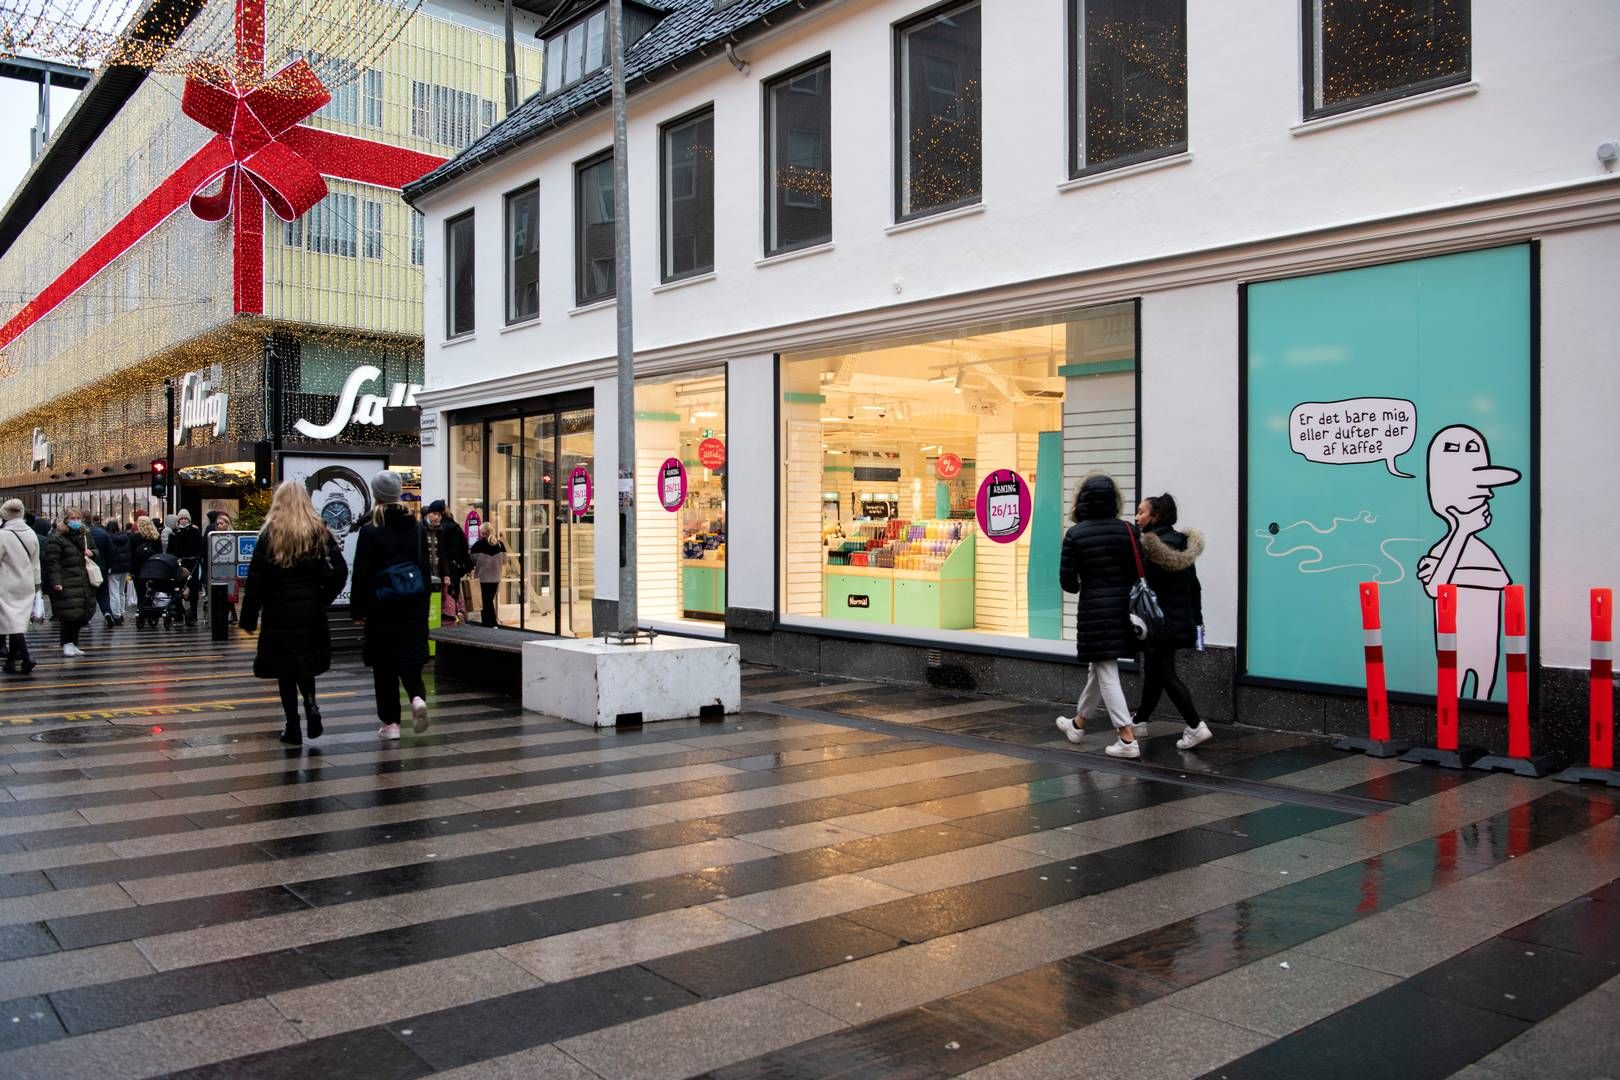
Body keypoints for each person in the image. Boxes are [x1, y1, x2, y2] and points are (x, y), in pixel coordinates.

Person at [239, 481, 347, 746]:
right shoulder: (319, 532)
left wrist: (249, 617)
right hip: (310, 612)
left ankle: (292, 726)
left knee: (284, 670)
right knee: (304, 663)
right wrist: (322, 598)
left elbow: (256, 580)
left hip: (278, 612)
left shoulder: (270, 535)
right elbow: (339, 572)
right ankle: (311, 705)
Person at [1055, 472, 1142, 758]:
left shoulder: (1076, 534)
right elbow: (1137, 570)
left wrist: (1086, 583)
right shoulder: (1128, 530)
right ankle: (1078, 724)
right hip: (1124, 609)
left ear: (1082, 501)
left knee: (1106, 670)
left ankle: (1126, 737)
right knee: (1098, 667)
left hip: (1095, 609)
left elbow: (1068, 582)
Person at [351, 471, 431, 738]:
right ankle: (417, 698)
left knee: (384, 666)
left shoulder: (371, 529)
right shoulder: (417, 527)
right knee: (409, 659)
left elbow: (362, 573)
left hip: (381, 606)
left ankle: (391, 724)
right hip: (412, 604)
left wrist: (358, 610)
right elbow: (423, 566)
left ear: (376, 495)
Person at [1133, 493, 1212, 750]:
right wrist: (1196, 621)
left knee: (1165, 674)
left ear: (1155, 517)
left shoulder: (1151, 548)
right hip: (1180, 619)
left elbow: (1144, 588)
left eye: (1141, 512)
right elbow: (1194, 586)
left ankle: (1195, 725)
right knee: (1156, 672)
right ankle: (1141, 720)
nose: (1137, 517)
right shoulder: (1181, 543)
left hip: (1159, 623)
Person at [41, 505, 99, 657]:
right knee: (69, 614)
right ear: (65, 520)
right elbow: (52, 562)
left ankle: (73, 643)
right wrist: (56, 582)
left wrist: (91, 552)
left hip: (83, 580)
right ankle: (67, 643)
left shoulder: (85, 535)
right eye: (73, 518)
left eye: (78, 518)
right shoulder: (57, 537)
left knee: (80, 614)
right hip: (67, 580)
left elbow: (96, 550)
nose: (76, 521)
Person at [0, 499, 41, 675]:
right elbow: (36, 562)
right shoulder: (31, 533)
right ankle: (10, 662)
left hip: (6, 583)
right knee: (16, 621)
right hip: (27, 583)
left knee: (12, 623)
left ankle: (26, 657)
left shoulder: (3, 535)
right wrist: (37, 585)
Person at [421, 500, 470, 625]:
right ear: (428, 514)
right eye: (434, 514)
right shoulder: (420, 529)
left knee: (440, 604)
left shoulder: (440, 531)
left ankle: (439, 629)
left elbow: (442, 554)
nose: (437, 517)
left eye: (439, 515)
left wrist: (446, 574)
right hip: (424, 574)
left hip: (438, 573)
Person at [166, 509, 203, 624]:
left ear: (189, 520)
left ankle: (194, 613)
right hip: (179, 564)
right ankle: (179, 614)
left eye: (185, 518)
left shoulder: (195, 532)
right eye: (181, 518)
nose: (183, 520)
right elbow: (170, 550)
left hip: (192, 564)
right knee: (178, 588)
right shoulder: (174, 534)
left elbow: (200, 547)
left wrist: (198, 557)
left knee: (193, 589)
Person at [468, 521, 507, 628]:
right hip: (495, 578)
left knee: (485, 602)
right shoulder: (500, 544)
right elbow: (504, 560)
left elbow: (472, 561)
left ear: (482, 532)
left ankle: (488, 624)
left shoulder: (478, 545)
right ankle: (493, 623)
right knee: (489, 600)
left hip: (482, 578)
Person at [105, 519, 133, 625]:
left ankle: (116, 614)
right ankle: (121, 612)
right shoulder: (125, 537)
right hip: (124, 568)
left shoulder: (109, 538)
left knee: (114, 592)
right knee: (121, 592)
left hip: (114, 568)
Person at [89, 515, 115, 626]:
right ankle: (107, 612)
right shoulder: (103, 533)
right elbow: (111, 551)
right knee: (103, 593)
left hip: (88, 568)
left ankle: (87, 617)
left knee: (89, 593)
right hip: (102, 568)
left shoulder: (84, 534)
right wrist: (108, 566)